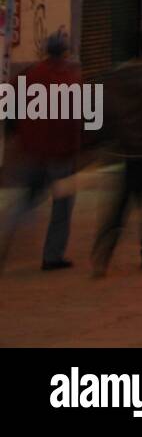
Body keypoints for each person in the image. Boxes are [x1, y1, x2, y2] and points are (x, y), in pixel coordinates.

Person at [91, 30, 142, 275]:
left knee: (119, 206)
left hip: (127, 154)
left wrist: (105, 143)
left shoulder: (114, 81)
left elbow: (103, 115)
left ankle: (104, 251)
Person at [0, 33, 82, 272]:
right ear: (65, 53)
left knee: (25, 201)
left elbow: (9, 105)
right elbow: (76, 120)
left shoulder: (29, 75)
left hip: (33, 152)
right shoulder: (70, 80)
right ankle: (52, 255)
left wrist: (15, 135)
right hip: (61, 156)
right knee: (63, 206)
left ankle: (4, 239)